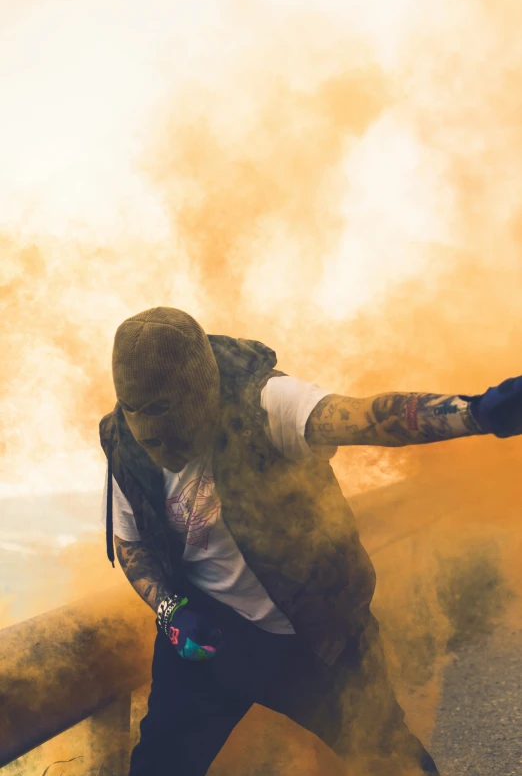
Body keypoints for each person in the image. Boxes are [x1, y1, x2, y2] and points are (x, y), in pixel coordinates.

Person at [99, 306, 522, 776]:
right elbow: (131, 543)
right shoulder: (124, 441)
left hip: (317, 637)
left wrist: (476, 413)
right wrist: (171, 613)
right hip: (209, 640)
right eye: (139, 417)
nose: (158, 444)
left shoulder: (265, 403)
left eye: (166, 417)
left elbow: (366, 418)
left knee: (390, 759)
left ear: (203, 392)